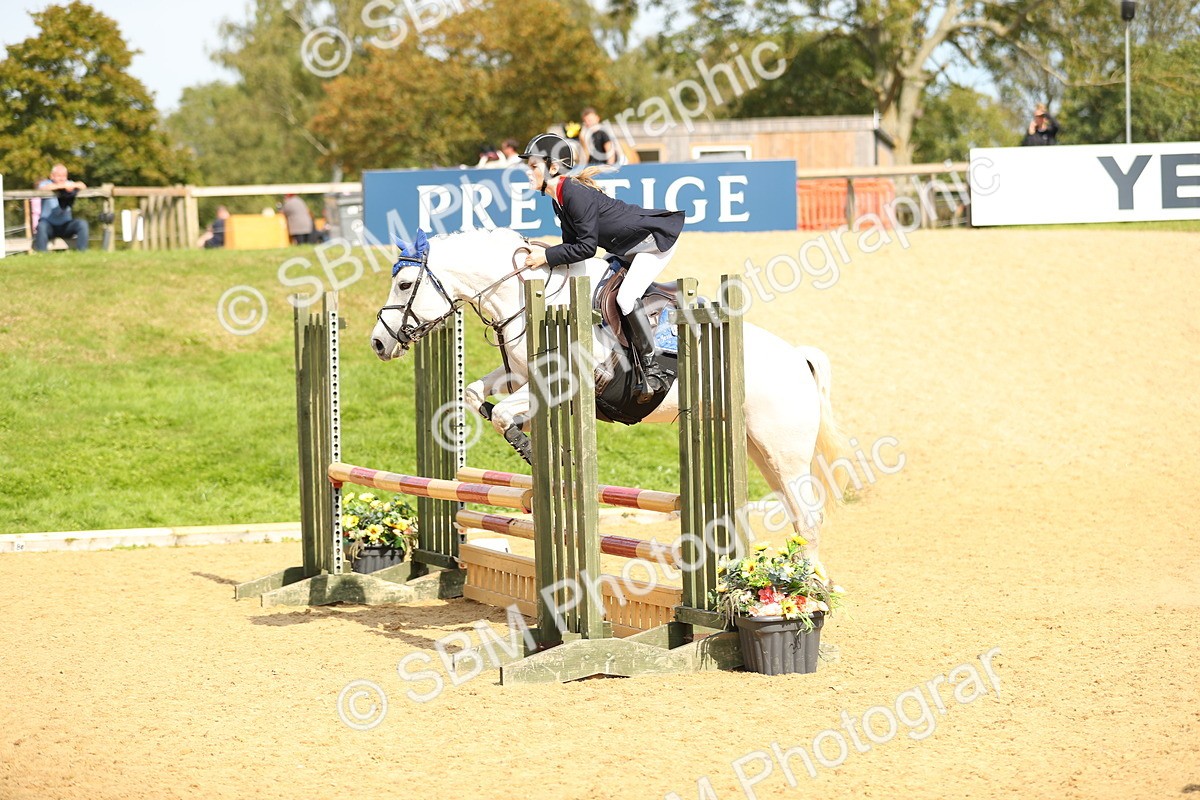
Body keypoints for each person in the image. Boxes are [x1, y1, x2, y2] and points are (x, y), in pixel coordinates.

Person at [518, 132, 683, 402]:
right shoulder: (559, 199)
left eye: (533, 166)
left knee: (626, 297)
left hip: (652, 243)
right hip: (626, 248)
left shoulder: (574, 194)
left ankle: (652, 367)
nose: (529, 172)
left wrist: (546, 257)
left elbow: (586, 248)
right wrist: (547, 252)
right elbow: (573, 248)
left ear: (553, 167)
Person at [33, 164, 89, 251]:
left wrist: (72, 185)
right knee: (41, 226)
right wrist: (62, 187)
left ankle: (83, 252)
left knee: (82, 224)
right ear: (52, 176)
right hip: (49, 225)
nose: (62, 178)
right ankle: (41, 253)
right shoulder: (46, 183)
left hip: (65, 225)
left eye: (64, 176)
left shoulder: (69, 183)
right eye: (59, 175)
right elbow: (42, 189)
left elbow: (82, 185)